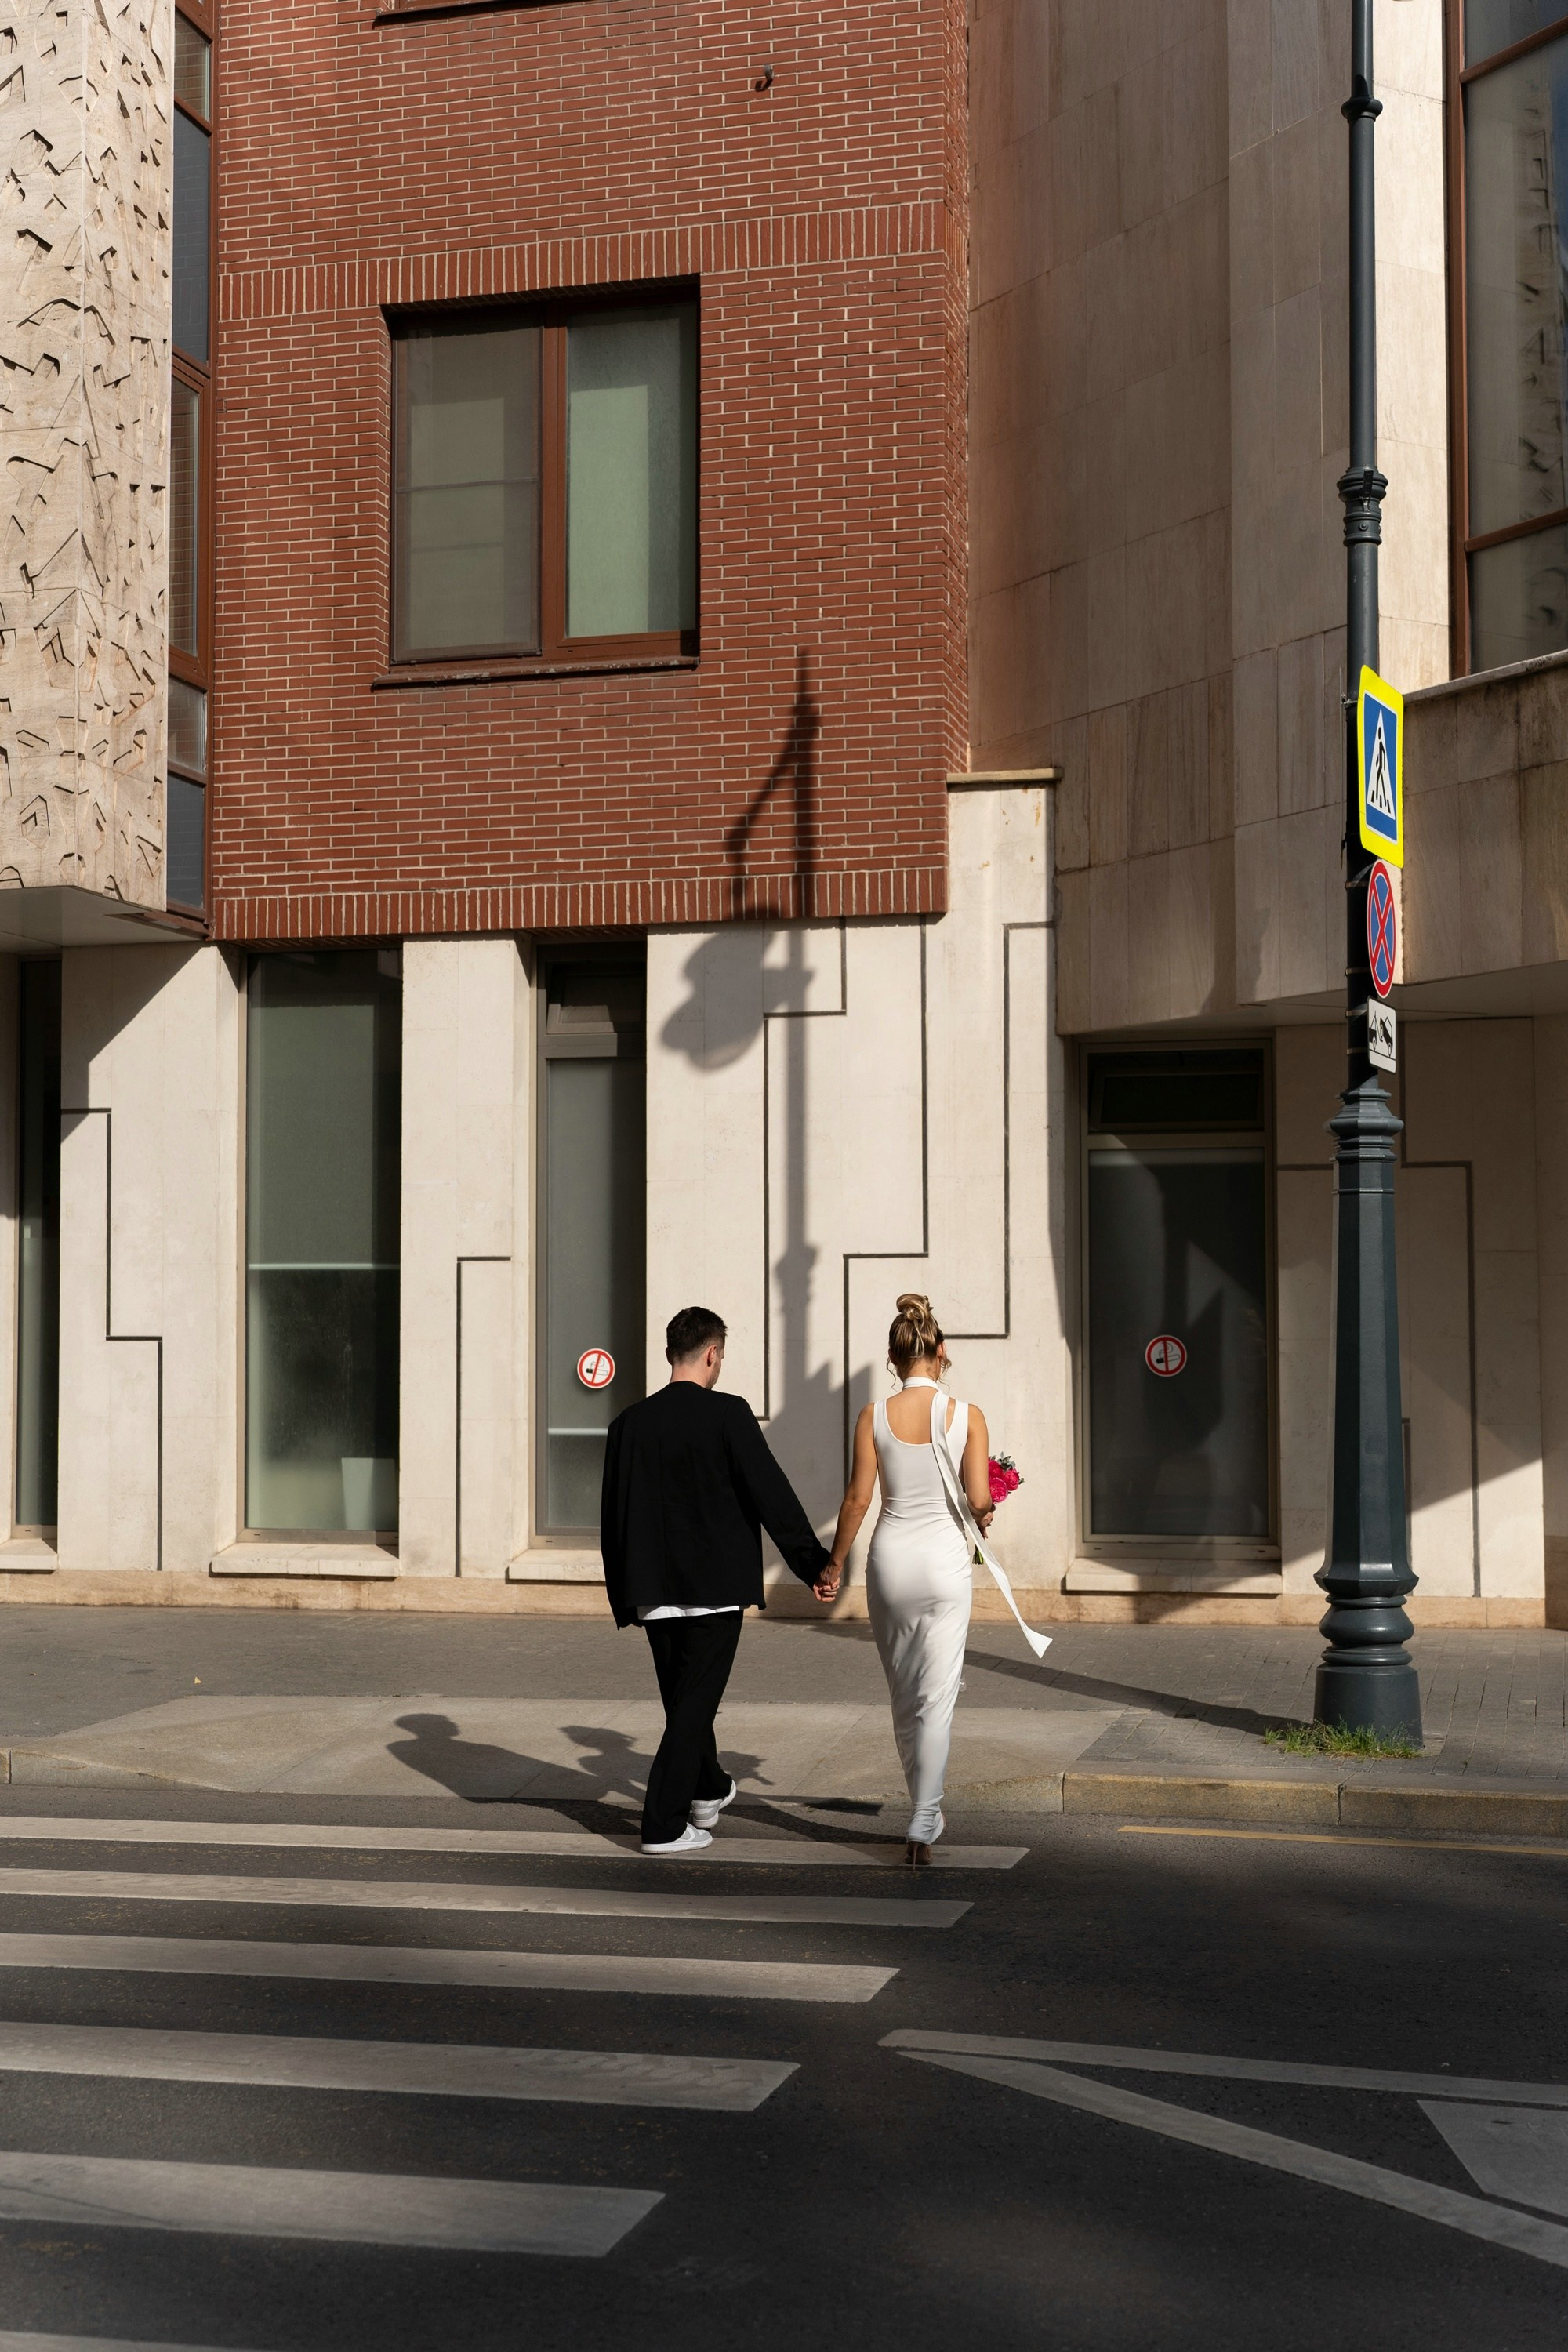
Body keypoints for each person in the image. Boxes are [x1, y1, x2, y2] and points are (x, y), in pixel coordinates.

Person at [601, 1305, 832, 1855]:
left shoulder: (627, 1423)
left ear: (669, 1354)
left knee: (687, 1703)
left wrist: (624, 1595)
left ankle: (708, 1789)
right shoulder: (729, 1413)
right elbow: (770, 1494)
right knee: (692, 1708)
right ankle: (662, 1824)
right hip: (714, 1589)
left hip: (651, 1591)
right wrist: (812, 1564)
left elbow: (612, 1518)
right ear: (712, 1354)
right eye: (721, 1356)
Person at [817, 1294, 1023, 1867]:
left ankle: (923, 1806)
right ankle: (925, 1812)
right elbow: (977, 1499)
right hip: (944, 1565)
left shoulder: (872, 1417)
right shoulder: (969, 1416)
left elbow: (857, 1500)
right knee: (936, 1696)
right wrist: (987, 1507)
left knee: (906, 1694)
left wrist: (834, 1564)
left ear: (892, 1357)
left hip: (890, 1564)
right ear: (942, 1351)